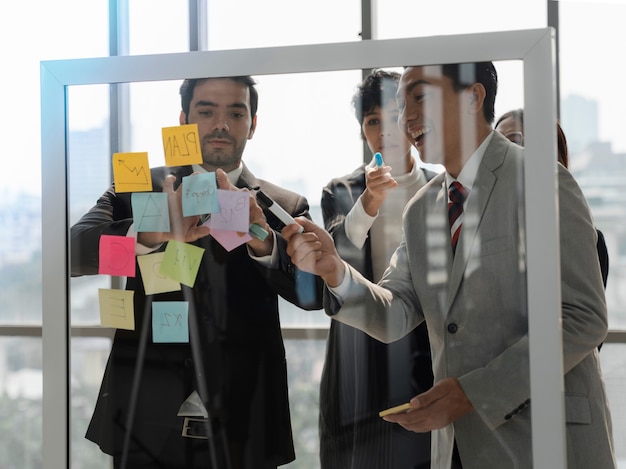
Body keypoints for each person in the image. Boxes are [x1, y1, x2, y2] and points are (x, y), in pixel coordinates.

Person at [283, 62, 616, 468]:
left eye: (420, 97)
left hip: (545, 443)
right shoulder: (421, 208)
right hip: (457, 449)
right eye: (402, 105)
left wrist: (472, 393)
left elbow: (583, 318)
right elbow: (396, 311)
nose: (407, 119)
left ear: (473, 97)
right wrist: (335, 270)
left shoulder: (542, 180)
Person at [70, 76, 322, 469]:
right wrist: (147, 232)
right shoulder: (139, 188)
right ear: (185, 119)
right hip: (144, 418)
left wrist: (262, 241)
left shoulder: (284, 205)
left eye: (235, 113)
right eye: (206, 111)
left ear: (252, 124)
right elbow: (73, 252)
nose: (220, 123)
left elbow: (316, 295)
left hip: (246, 422)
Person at [319, 70, 438, 469]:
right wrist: (369, 201)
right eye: (372, 121)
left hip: (428, 350)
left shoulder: (442, 187)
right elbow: (336, 258)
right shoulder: (342, 190)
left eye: (392, 116)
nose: (384, 129)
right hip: (359, 354)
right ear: (363, 131)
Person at [495, 108, 609, 287]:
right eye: (497, 146)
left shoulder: (585, 240)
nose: (501, 155)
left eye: (513, 143)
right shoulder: (482, 231)